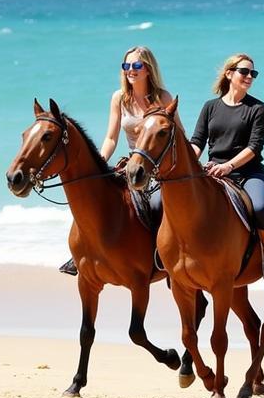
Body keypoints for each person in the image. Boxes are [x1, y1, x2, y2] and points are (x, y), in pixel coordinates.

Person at [59, 46, 178, 276]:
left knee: (156, 204)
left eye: (136, 66)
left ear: (148, 69)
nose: (130, 70)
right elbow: (111, 137)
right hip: (131, 164)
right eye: (126, 66)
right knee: (93, 197)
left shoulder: (162, 97)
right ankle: (83, 253)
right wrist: (99, 164)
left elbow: (177, 133)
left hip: (155, 166)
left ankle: (160, 254)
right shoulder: (119, 98)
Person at [190, 53, 264, 283]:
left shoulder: (258, 109)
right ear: (229, 74)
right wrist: (189, 165)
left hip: (248, 173)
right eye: (244, 71)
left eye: (253, 73)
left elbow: (254, 147)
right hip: (213, 172)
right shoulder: (210, 107)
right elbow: (197, 142)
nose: (249, 76)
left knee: (260, 207)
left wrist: (229, 166)